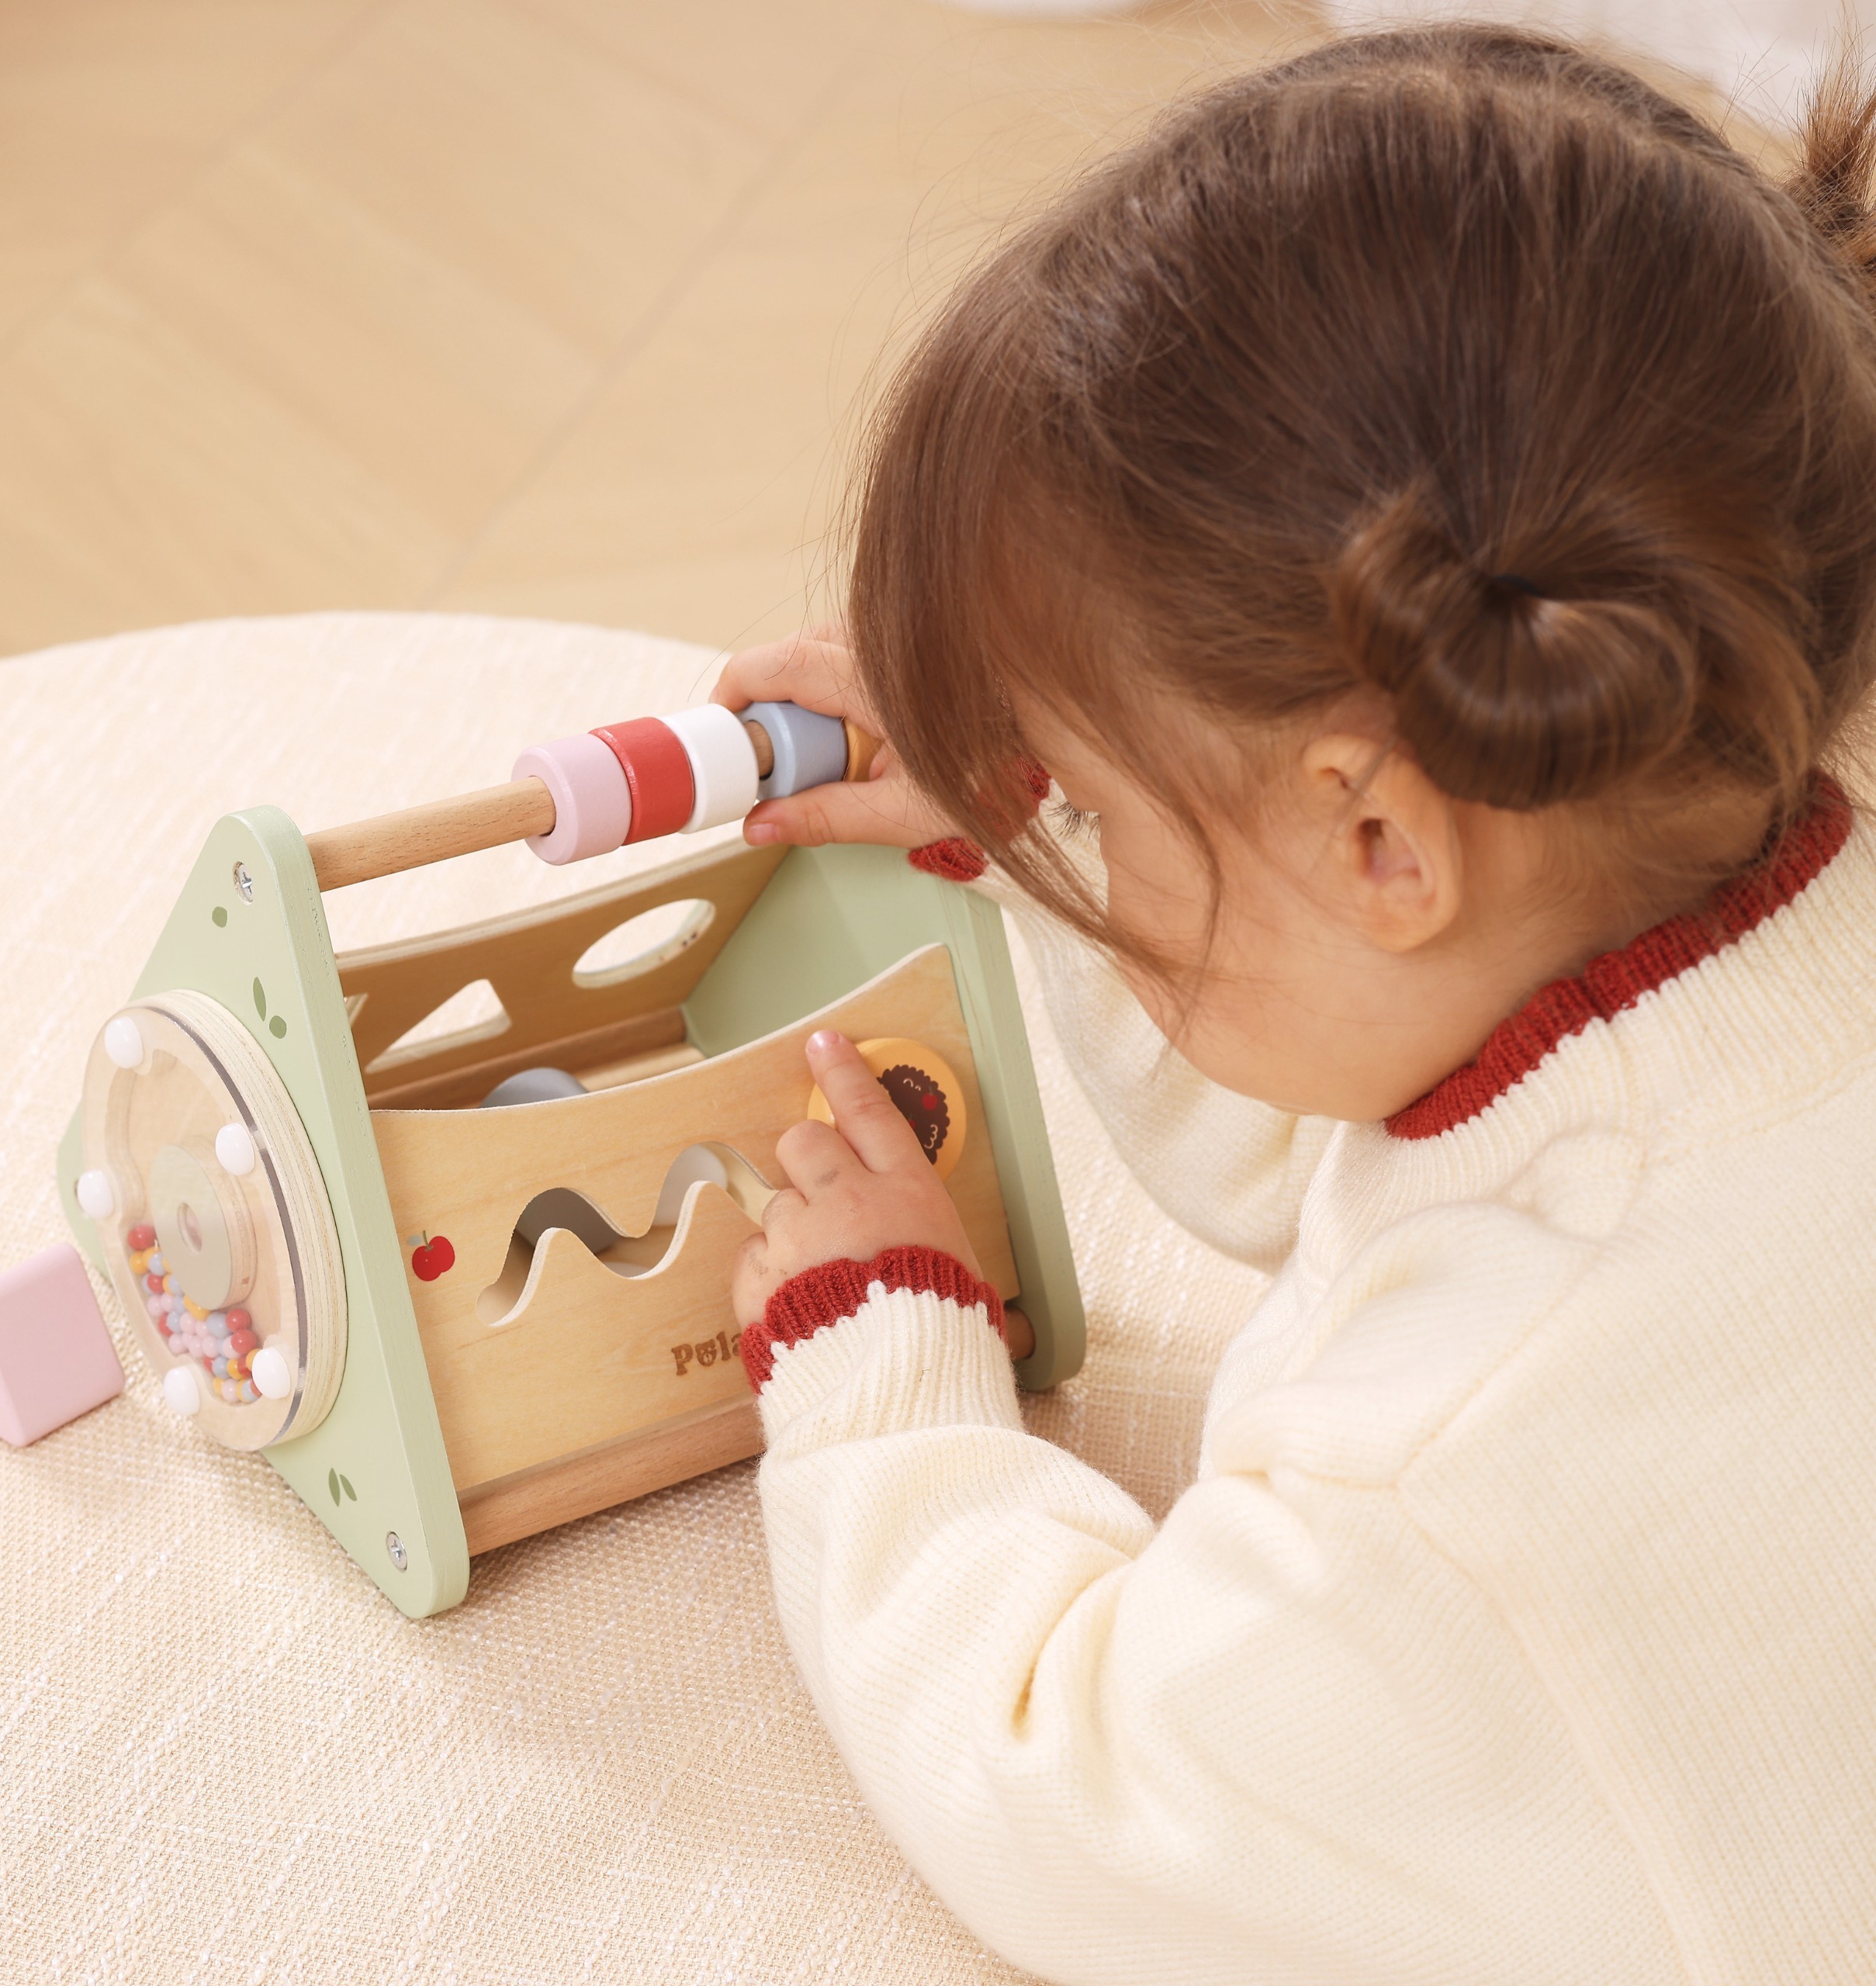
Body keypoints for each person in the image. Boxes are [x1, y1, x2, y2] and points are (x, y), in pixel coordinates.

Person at [711, 26, 1876, 1983]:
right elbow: (1367, 1121)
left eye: (1099, 810)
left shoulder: (1439, 1474)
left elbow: (1078, 1794)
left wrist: (880, 1368)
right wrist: (1038, 816)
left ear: (1379, 841)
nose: (1079, 853)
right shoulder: (1743, 873)